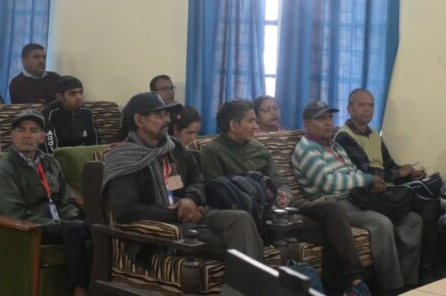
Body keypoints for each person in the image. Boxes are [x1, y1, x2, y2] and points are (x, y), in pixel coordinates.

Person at [200, 99, 370, 295]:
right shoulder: (213, 151)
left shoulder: (258, 148)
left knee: (332, 211)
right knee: (328, 232)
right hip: (253, 213)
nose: (256, 126)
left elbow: (280, 181)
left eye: (255, 121)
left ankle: (356, 281)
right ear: (233, 125)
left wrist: (283, 194)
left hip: (282, 208)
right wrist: (262, 199)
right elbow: (217, 193)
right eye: (251, 121)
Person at [103, 92, 265, 265]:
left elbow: (198, 179)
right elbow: (127, 211)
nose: (167, 120)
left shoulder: (174, 147)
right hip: (158, 228)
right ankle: (250, 281)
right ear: (139, 120)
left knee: (241, 219)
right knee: (230, 240)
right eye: (160, 115)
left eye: (167, 114)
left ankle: (249, 281)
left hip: (190, 214)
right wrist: (178, 212)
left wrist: (190, 199)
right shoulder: (123, 158)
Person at [292, 100, 423, 292]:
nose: (328, 123)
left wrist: (370, 183)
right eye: (321, 119)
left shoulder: (334, 145)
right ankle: (393, 287)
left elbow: (353, 171)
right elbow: (328, 183)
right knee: (382, 223)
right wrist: (368, 179)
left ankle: (410, 283)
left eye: (329, 118)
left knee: (412, 219)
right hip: (334, 203)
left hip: (357, 197)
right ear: (306, 123)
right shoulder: (306, 149)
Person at [0, 109, 90, 296]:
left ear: (42, 137)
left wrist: (71, 216)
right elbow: (13, 213)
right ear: (12, 136)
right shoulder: (3, 170)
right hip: (29, 227)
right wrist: (59, 224)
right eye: (21, 130)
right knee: (74, 230)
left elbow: (66, 198)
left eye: (33, 130)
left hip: (59, 223)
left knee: (99, 225)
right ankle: (79, 290)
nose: (27, 135)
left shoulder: (50, 162)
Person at [334, 89, 439, 267]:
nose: (367, 109)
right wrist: (399, 173)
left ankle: (413, 276)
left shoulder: (375, 134)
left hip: (386, 189)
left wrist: (409, 172)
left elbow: (389, 165)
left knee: (429, 204)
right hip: (365, 192)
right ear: (349, 109)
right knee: (424, 206)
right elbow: (363, 171)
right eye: (361, 105)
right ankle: (427, 265)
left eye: (371, 105)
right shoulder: (344, 137)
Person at [40, 75, 99, 154]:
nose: (79, 97)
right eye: (72, 93)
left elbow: (96, 145)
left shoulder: (86, 112)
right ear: (60, 97)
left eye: (80, 92)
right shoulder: (50, 113)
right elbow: (50, 150)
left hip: (81, 157)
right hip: (60, 158)